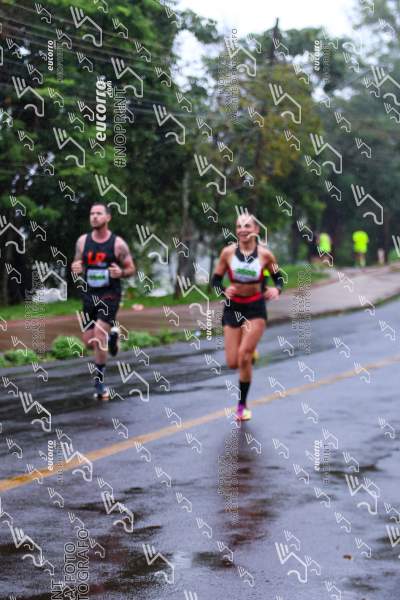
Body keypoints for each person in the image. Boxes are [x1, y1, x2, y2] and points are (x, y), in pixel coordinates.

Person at [211, 213, 284, 421]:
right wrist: (223, 291)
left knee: (243, 356)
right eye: (239, 226)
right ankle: (250, 353)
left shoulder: (266, 255)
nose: (243, 230)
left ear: (256, 230)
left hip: (255, 308)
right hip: (232, 308)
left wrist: (277, 289)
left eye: (247, 226)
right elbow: (215, 280)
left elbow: (278, 277)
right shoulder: (227, 253)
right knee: (233, 363)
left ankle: (242, 406)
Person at [71, 203, 135, 400]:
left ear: (108, 217)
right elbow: (77, 264)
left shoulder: (118, 244)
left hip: (110, 294)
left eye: (99, 213)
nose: (94, 216)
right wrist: (76, 268)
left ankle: (99, 383)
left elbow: (131, 268)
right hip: (89, 294)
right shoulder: (83, 241)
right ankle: (112, 336)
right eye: (92, 213)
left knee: (99, 336)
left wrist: (121, 272)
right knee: (89, 342)